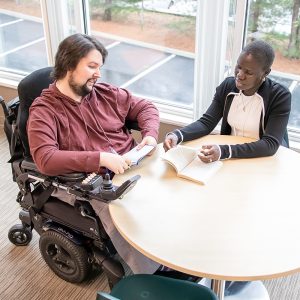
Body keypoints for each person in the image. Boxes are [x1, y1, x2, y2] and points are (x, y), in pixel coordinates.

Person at [27, 33, 161, 274]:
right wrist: (99, 158)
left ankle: (176, 255)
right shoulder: (44, 110)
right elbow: (45, 159)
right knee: (129, 218)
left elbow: (145, 107)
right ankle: (151, 278)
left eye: (99, 67)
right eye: (91, 66)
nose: (98, 73)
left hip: (132, 164)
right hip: (91, 183)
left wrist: (150, 135)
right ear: (69, 65)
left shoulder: (105, 93)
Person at [164, 40, 291, 162]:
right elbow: (206, 123)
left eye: (248, 72)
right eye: (239, 67)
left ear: (265, 73)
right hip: (233, 156)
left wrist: (225, 151)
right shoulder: (227, 86)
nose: (239, 75)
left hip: (265, 159)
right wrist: (177, 135)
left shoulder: (280, 96)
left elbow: (270, 144)